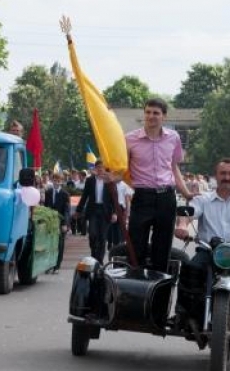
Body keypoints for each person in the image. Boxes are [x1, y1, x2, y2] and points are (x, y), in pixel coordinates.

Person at [126, 98, 193, 272]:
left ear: (164, 116)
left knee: (162, 250)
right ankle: (136, 292)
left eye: (156, 113)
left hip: (166, 198)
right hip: (142, 198)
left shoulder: (173, 138)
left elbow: (173, 166)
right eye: (148, 112)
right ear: (144, 114)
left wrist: (186, 193)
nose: (151, 116)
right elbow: (123, 170)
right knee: (136, 247)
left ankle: (159, 295)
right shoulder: (129, 139)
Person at [175, 159, 230, 271]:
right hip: (208, 251)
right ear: (215, 176)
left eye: (229, 174)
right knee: (190, 272)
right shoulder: (203, 199)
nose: (227, 178)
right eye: (223, 173)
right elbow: (188, 213)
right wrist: (182, 225)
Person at [75, 160, 117, 263]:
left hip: (105, 211)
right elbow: (84, 196)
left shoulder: (109, 181)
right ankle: (93, 254)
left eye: (102, 167)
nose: (100, 169)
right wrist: (78, 210)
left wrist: (115, 213)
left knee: (102, 237)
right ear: (95, 169)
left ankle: (100, 259)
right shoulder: (90, 181)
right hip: (93, 210)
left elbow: (114, 198)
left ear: (105, 169)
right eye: (98, 167)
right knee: (93, 234)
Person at [44, 172, 71, 273]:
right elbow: (46, 207)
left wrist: (65, 224)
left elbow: (67, 211)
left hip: (61, 222)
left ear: (61, 182)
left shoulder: (65, 194)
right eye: (54, 180)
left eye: (58, 180)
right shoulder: (48, 192)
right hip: (50, 222)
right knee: (50, 244)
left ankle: (57, 266)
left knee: (59, 244)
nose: (56, 182)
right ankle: (49, 265)